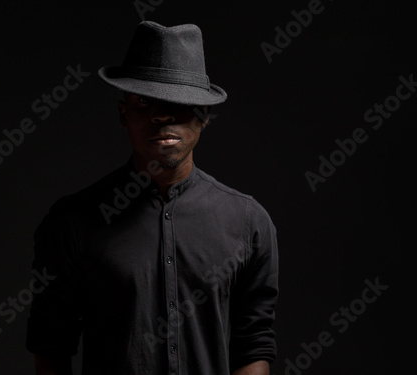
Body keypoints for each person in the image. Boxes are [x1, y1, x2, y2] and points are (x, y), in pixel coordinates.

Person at [26, 21, 279, 375]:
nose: (162, 115)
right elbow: (50, 344)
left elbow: (253, 344)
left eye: (180, 101)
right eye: (145, 101)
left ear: (204, 115)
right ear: (122, 113)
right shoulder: (72, 223)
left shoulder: (248, 223)